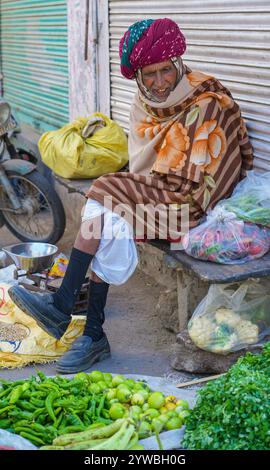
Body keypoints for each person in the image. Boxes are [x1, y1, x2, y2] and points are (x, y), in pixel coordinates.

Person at [9, 18, 253, 373]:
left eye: (165, 71)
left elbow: (199, 185)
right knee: (106, 213)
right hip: (162, 193)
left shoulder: (207, 104)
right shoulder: (148, 100)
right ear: (138, 76)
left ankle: (69, 312)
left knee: (105, 194)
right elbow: (149, 170)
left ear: (178, 65)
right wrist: (138, 191)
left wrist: (137, 191)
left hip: (194, 208)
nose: (158, 82)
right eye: (148, 74)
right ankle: (90, 331)